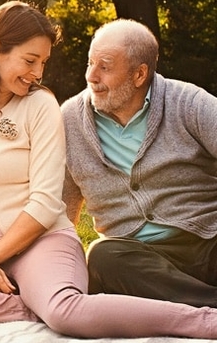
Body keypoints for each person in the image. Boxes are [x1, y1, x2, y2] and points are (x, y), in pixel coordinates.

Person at [0, 1, 217, 339]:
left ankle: (205, 321)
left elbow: (47, 204)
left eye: (43, 63)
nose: (38, 73)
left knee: (65, 311)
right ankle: (32, 308)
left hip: (40, 243)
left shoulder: (43, 105)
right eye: (31, 61)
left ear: (140, 74)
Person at [62, 19, 217, 307]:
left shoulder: (188, 102)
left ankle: (188, 305)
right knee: (101, 257)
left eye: (104, 66)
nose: (91, 76)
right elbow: (61, 211)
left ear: (139, 74)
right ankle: (208, 305)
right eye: (90, 63)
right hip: (138, 257)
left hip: (207, 240)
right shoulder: (68, 121)